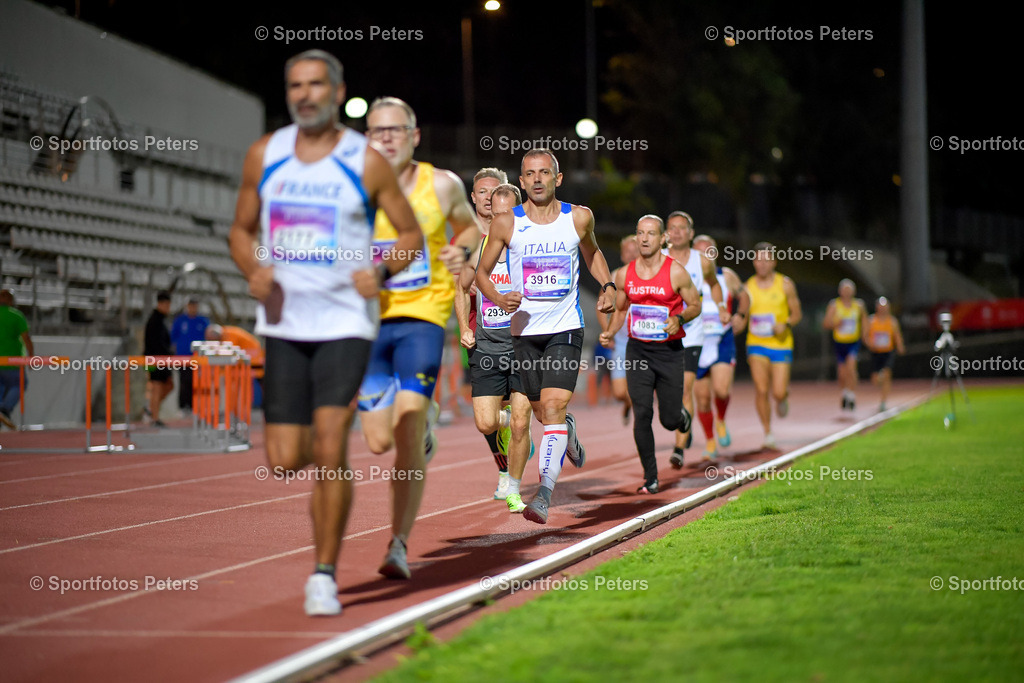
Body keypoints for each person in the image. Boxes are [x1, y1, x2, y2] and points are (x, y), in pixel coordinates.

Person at [228, 50, 423, 616]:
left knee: (332, 443)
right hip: (285, 321)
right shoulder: (266, 154)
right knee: (287, 458)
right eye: (295, 85)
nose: (305, 94)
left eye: (316, 85)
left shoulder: (363, 162)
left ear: (338, 93)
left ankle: (323, 575)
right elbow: (240, 232)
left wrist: (381, 271)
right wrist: (254, 268)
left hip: (344, 321)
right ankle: (318, 449)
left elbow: (408, 234)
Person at [356, 96, 480, 578]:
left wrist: (459, 252)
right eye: (375, 131)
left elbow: (469, 227)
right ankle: (421, 426)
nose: (385, 138)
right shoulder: (357, 190)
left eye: (394, 130)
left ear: (414, 135)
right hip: (371, 326)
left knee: (405, 432)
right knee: (375, 441)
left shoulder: (442, 184)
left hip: (423, 320)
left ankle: (398, 544)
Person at [476, 148, 616, 524]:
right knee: (542, 414)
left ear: (558, 178)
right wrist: (497, 297)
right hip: (524, 332)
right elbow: (481, 274)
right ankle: (565, 429)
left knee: (551, 408)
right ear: (521, 182)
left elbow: (594, 254)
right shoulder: (506, 223)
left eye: (544, 172)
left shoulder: (579, 218)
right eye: (529, 174)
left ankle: (543, 494)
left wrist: (608, 284)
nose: (537, 179)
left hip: (565, 328)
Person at [599, 215, 700, 493]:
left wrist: (679, 319)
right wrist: (609, 331)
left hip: (669, 352)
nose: (644, 239)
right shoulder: (624, 274)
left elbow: (695, 305)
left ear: (662, 239)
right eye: (640, 233)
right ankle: (651, 477)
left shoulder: (676, 272)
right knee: (642, 412)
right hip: (638, 351)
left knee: (669, 420)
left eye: (650, 234)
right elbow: (620, 309)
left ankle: (682, 417)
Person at [455, 182, 535, 512]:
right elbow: (461, 289)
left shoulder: (530, 246)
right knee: (486, 423)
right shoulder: (479, 249)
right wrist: (463, 327)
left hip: (522, 347)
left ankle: (513, 487)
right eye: (495, 211)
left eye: (508, 212)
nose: (500, 217)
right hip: (487, 346)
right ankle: (513, 426)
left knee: (521, 422)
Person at [664, 212, 728, 468]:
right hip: (660, 334)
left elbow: (714, 284)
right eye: (672, 228)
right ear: (666, 233)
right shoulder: (658, 259)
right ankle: (684, 424)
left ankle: (679, 447)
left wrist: (721, 305)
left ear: (691, 233)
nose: (677, 232)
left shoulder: (702, 262)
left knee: (685, 387)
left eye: (682, 228)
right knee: (666, 393)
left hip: (692, 334)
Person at [692, 235, 748, 461]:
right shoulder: (686, 275)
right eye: (700, 252)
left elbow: (745, 295)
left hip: (721, 338)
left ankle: (721, 420)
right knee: (702, 398)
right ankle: (709, 441)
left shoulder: (726, 276)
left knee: (722, 390)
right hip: (696, 341)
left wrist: (741, 316)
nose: (705, 256)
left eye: (709, 251)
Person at [745, 242, 802, 450]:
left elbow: (797, 313)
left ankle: (783, 397)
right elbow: (742, 315)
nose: (762, 263)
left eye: (766, 259)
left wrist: (785, 323)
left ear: (774, 261)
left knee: (777, 392)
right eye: (758, 259)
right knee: (761, 389)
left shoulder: (785, 284)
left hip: (781, 344)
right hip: (756, 344)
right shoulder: (747, 287)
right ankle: (768, 432)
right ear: (753, 262)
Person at [596, 235, 639, 425]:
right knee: (620, 392)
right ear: (622, 255)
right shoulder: (614, 277)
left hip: (643, 341)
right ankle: (630, 403)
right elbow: (600, 306)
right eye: (626, 251)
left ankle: (642, 413)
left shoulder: (651, 274)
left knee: (643, 387)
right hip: (621, 342)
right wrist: (608, 331)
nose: (631, 255)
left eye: (634, 250)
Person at [823, 278, 868, 411]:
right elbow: (826, 323)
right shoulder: (834, 305)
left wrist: (865, 335)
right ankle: (844, 393)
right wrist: (835, 324)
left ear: (853, 291)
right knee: (842, 373)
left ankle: (852, 395)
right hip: (839, 342)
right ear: (840, 291)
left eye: (849, 290)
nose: (847, 292)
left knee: (851, 368)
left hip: (853, 342)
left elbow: (865, 321)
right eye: (844, 290)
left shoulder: (859, 305)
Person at [864, 296, 904, 412]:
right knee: (875, 380)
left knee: (887, 374)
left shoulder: (892, 321)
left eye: (885, 307)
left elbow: (897, 335)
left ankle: (883, 401)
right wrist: (870, 344)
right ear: (877, 308)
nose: (883, 309)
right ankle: (880, 377)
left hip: (888, 352)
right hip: (875, 353)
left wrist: (900, 346)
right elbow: (865, 336)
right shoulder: (871, 320)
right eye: (880, 307)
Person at [0, 289, 33, 430]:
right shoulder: (16, 316)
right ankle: (5, 409)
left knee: (1, 387)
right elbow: (26, 338)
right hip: (12, 362)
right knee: (20, 384)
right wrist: (31, 357)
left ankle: (2, 410)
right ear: (11, 301)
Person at [170, 298, 209, 412]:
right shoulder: (180, 321)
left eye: (195, 305)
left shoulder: (203, 321)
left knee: (197, 381)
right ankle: (183, 405)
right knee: (184, 380)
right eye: (191, 305)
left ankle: (195, 405)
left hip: (198, 358)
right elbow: (173, 337)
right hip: (182, 357)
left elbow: (208, 337)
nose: (193, 308)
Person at [143, 291, 174, 427]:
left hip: (159, 359)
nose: (169, 308)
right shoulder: (155, 320)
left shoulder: (160, 319)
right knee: (157, 387)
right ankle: (154, 417)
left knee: (167, 386)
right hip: (154, 360)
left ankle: (151, 410)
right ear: (161, 304)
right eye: (167, 304)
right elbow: (156, 343)